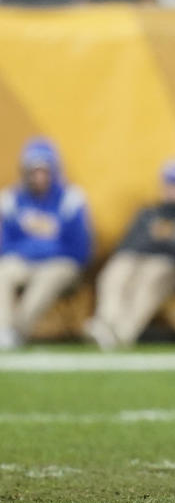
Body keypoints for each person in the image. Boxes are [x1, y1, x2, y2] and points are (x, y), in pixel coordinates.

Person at [85, 159, 175, 348]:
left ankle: (124, 331)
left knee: (153, 273)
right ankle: (105, 322)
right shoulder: (149, 212)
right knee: (119, 267)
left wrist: (168, 240)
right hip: (139, 261)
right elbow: (127, 245)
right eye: (171, 184)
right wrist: (165, 240)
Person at [0, 138, 91, 349]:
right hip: (24, 261)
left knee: (47, 278)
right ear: (25, 172)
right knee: (3, 272)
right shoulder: (11, 199)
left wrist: (41, 250)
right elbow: (4, 246)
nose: (39, 177)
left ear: (55, 170)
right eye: (34, 171)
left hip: (61, 262)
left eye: (44, 170)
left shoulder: (72, 199)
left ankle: (17, 332)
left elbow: (80, 249)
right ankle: (3, 329)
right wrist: (35, 250)